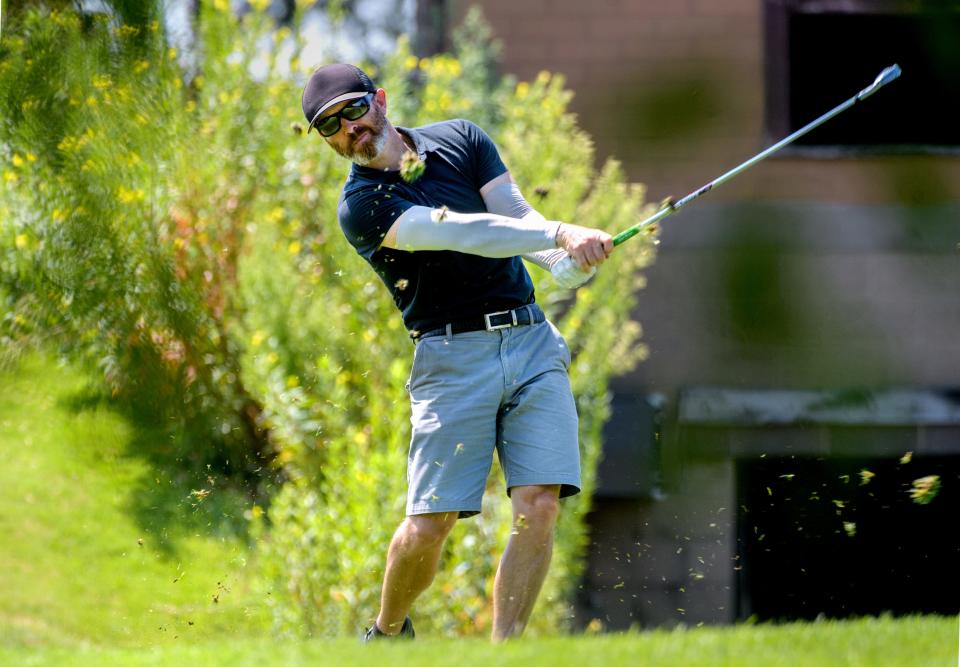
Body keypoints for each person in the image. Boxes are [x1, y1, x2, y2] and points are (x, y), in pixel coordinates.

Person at [300, 63, 615, 642]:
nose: (350, 129)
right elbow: (459, 230)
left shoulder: (463, 138)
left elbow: (518, 217)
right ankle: (388, 634)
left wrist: (560, 261)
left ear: (381, 100)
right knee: (431, 525)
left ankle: (505, 652)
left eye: (354, 110)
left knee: (540, 503)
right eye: (330, 126)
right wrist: (559, 235)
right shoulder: (362, 206)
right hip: (451, 360)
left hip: (530, 341)